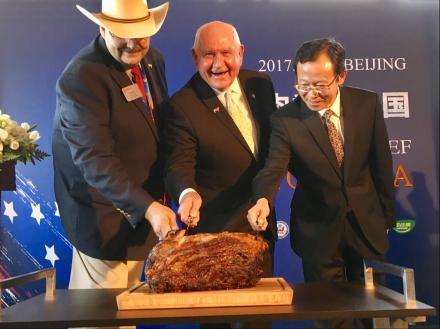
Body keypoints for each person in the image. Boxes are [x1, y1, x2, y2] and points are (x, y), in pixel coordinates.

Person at [247, 38, 395, 328]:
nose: (311, 93)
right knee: (330, 317)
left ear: (341, 76)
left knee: (375, 315)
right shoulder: (286, 120)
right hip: (319, 232)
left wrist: (386, 217)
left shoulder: (366, 104)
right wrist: (263, 199)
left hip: (367, 226)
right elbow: (273, 166)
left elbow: (382, 165)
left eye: (320, 85)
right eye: (303, 85)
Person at [53, 0, 177, 293]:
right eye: (123, 34)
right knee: (101, 318)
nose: (133, 44)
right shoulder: (80, 78)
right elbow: (95, 160)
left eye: (142, 34)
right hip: (103, 222)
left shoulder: (152, 60)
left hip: (143, 221)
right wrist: (148, 207)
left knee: (127, 313)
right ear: (103, 28)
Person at [162, 20, 277, 273]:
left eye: (226, 53)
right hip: (214, 241)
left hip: (261, 230)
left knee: (261, 311)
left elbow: (275, 144)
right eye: (209, 54)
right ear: (195, 57)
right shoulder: (182, 106)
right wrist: (187, 193)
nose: (218, 64)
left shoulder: (260, 84)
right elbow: (178, 165)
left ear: (240, 52)